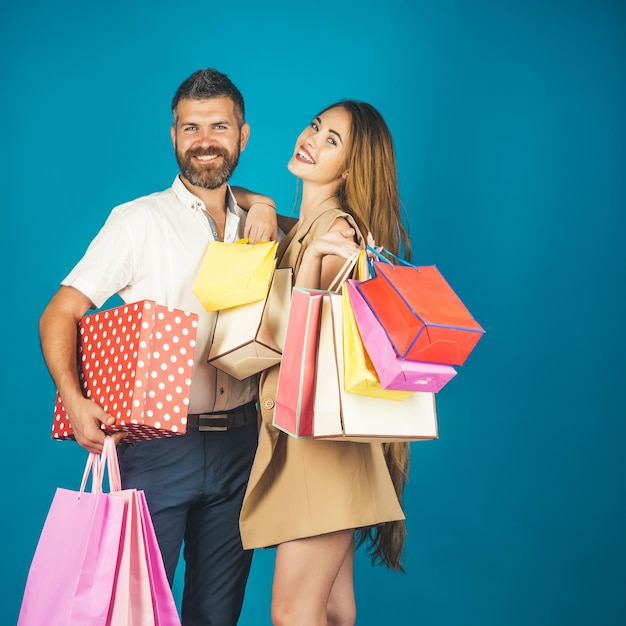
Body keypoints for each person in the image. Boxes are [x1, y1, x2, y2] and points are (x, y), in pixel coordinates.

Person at [39, 68, 278, 625]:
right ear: (173, 135)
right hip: (156, 443)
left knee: (217, 615)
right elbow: (60, 313)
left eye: (218, 126)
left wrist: (260, 201)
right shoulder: (137, 221)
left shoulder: (264, 224)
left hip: (242, 444)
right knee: (134, 611)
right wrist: (73, 400)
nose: (204, 141)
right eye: (190, 127)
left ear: (243, 136)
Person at [238, 100, 413, 626]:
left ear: (352, 167)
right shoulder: (307, 227)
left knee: (294, 612)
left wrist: (313, 265)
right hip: (327, 451)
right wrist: (265, 204)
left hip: (320, 452)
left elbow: (306, 349)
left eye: (331, 140)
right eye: (315, 126)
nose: (311, 139)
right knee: (334, 611)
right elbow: (227, 196)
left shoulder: (337, 237)